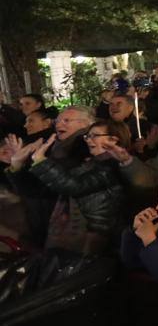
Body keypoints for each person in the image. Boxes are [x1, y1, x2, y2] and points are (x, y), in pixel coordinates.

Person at [11, 120, 127, 255]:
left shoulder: (113, 166)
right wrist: (17, 165)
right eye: (87, 136)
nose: (89, 140)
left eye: (94, 136)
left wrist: (41, 161)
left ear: (114, 140)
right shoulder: (84, 163)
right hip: (73, 235)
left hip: (95, 240)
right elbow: (42, 190)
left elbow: (73, 186)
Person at [2, 106, 94, 247]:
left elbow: (52, 188)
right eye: (58, 120)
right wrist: (18, 164)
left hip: (72, 229)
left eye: (67, 120)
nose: (59, 124)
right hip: (47, 221)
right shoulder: (56, 146)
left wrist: (28, 163)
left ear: (87, 124)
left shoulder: (86, 148)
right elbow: (36, 187)